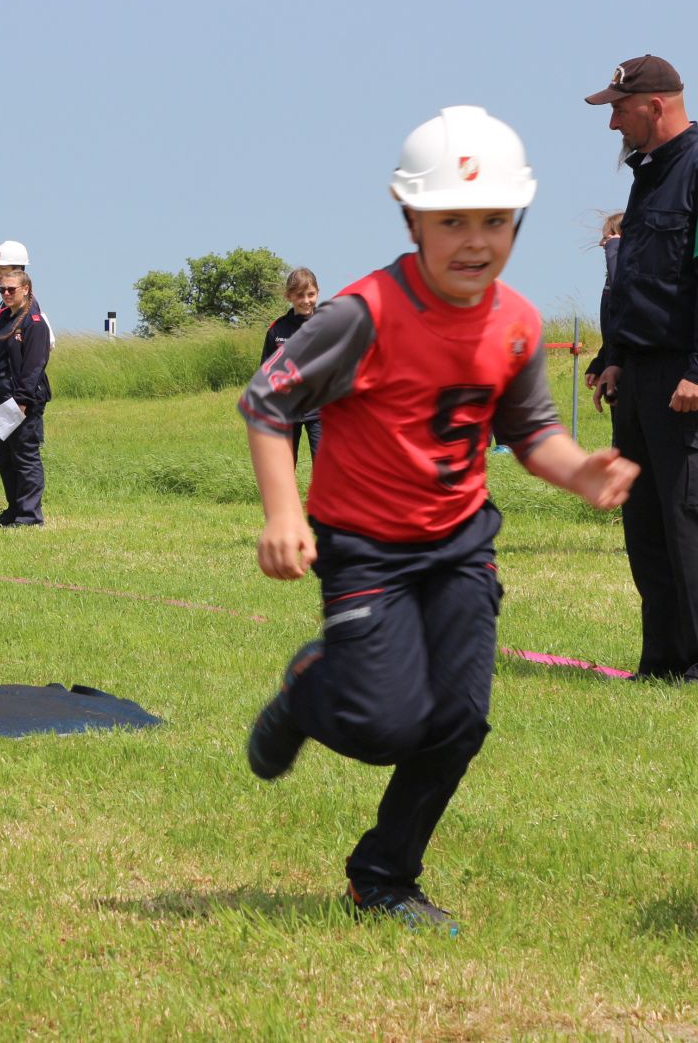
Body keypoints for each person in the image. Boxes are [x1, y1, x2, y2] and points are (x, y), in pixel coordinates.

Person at [239, 106, 638, 933]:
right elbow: (268, 401)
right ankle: (309, 690)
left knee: (458, 721)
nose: (474, 239)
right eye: (451, 220)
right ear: (412, 218)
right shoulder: (363, 314)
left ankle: (383, 877)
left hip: (459, 546)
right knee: (381, 722)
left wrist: (580, 471)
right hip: (367, 548)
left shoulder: (518, 322)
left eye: (495, 220)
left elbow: (531, 432)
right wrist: (284, 512)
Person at [586, 55, 698, 681]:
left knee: (687, 520)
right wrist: (615, 358)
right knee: (647, 521)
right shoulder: (649, 174)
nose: (612, 125)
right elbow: (636, 279)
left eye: (618, 110)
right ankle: (663, 661)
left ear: (655, 106)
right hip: (642, 376)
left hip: (686, 376)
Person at [0, 268, 52, 526]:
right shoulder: (3, 319)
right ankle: (14, 509)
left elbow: (35, 366)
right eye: (2, 289)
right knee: (5, 456)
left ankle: (29, 515)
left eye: (11, 289)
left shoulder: (34, 323)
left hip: (22, 400)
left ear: (26, 289)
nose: (6, 293)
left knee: (25, 455)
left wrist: (23, 401)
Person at [260, 268, 323, 462]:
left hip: (320, 411)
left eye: (311, 294)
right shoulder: (276, 330)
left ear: (317, 293)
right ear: (289, 296)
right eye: (299, 295)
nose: (306, 301)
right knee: (284, 467)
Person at [583, 212, 623, 390]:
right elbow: (614, 332)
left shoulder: (631, 282)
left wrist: (615, 249)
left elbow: (623, 297)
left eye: (609, 238)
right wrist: (600, 362)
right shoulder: (611, 281)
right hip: (615, 366)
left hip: (630, 372)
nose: (603, 244)